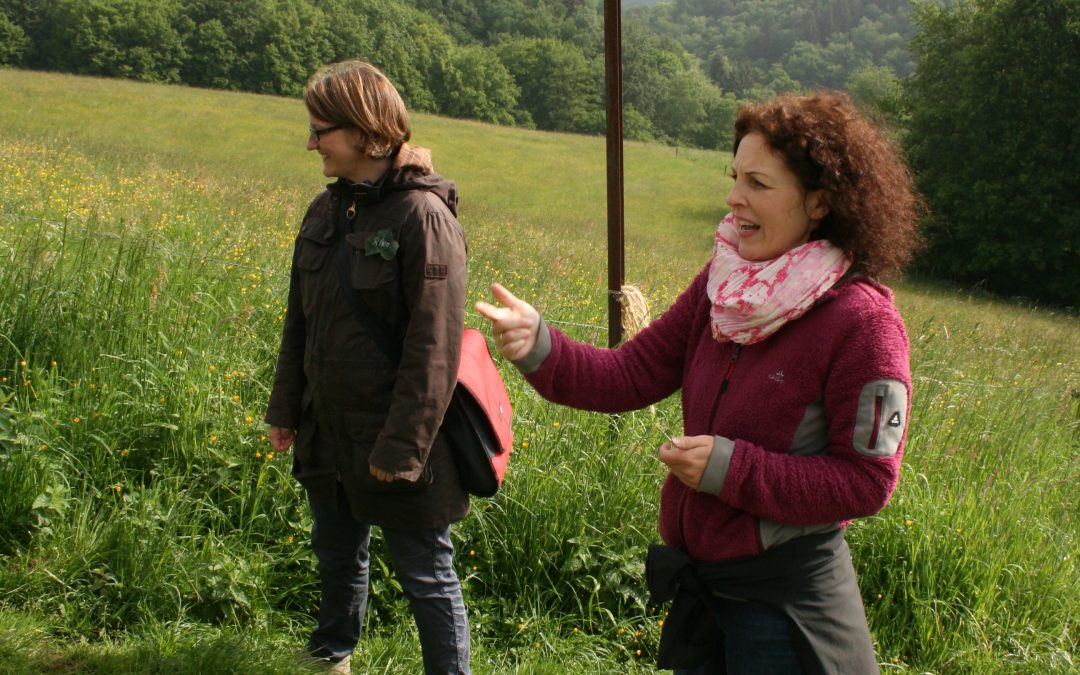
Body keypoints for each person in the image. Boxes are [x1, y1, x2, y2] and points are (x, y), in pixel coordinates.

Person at [476, 91, 921, 674]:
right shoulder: (725, 281)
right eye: (734, 176)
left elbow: (867, 482)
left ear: (819, 201)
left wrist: (732, 469)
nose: (734, 197)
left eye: (759, 183)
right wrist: (541, 344)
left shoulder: (862, 323)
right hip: (706, 595)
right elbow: (631, 374)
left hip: (787, 615)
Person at [265, 60, 471, 674]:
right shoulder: (325, 211)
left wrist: (402, 448)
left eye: (320, 128)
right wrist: (285, 409)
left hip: (399, 440)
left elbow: (434, 348)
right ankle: (333, 656)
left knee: (427, 576)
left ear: (364, 130)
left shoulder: (424, 218)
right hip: (327, 430)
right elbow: (297, 323)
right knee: (335, 551)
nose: (309, 142)